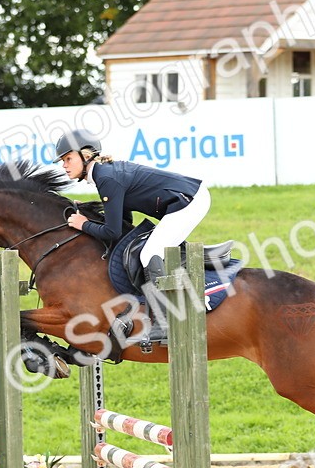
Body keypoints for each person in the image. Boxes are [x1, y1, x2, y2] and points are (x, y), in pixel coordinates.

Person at [53, 129, 210, 342]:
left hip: (189, 201)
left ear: (86, 155)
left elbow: (112, 231)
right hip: (186, 198)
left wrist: (84, 224)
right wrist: (91, 215)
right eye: (63, 160)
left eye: (68, 159)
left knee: (149, 254)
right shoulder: (104, 174)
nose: (64, 165)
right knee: (151, 248)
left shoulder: (106, 178)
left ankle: (162, 324)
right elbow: (123, 220)